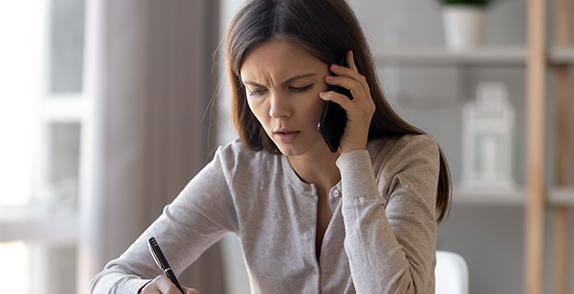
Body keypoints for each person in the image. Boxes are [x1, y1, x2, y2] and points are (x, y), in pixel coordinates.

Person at [89, 0, 451, 293]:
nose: (276, 111)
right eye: (257, 91)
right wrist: (142, 291)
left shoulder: (410, 157)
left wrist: (353, 157)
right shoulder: (240, 170)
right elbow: (108, 279)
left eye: (298, 87)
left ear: (347, 78)